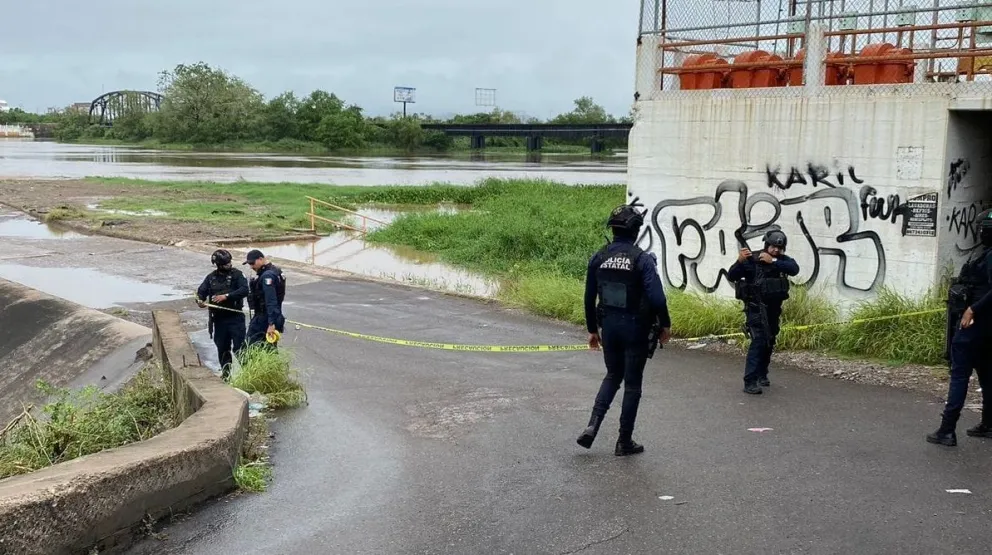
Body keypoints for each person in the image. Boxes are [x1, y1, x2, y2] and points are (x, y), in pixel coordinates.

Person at [576, 203, 671, 456]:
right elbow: (658, 298)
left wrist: (592, 330)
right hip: (635, 329)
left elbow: (588, 298)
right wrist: (665, 324)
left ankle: (592, 426)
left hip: (609, 328)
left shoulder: (599, 257)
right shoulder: (641, 259)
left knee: (612, 375)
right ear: (636, 231)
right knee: (632, 385)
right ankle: (624, 441)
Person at [927, 209, 992, 447]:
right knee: (987, 376)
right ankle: (988, 424)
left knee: (959, 376)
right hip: (987, 330)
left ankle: (947, 429)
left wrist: (972, 309)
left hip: (973, 325)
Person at [727, 229, 800, 395]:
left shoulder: (781, 261)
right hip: (755, 308)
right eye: (773, 247)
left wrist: (773, 261)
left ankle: (762, 374)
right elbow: (732, 275)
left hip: (774, 310)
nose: (776, 250)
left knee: (769, 340)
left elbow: (794, 269)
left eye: (779, 248)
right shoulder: (752, 259)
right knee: (758, 341)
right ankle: (750, 381)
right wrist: (739, 261)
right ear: (767, 245)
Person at [196, 249, 249, 379]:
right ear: (218, 264)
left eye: (229, 262)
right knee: (222, 349)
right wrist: (200, 301)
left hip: (235, 318)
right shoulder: (211, 278)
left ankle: (249, 374)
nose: (229, 265)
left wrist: (226, 296)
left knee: (239, 348)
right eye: (226, 263)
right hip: (219, 320)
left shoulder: (237, 275)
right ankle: (226, 376)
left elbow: (244, 290)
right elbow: (200, 293)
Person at [244, 249, 287, 349]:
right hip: (272, 316)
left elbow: (271, 300)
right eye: (249, 264)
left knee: (248, 349)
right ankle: (273, 365)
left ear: (261, 259)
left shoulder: (268, 276)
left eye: (252, 263)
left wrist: (271, 323)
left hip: (265, 318)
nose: (251, 267)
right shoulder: (275, 271)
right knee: (268, 349)